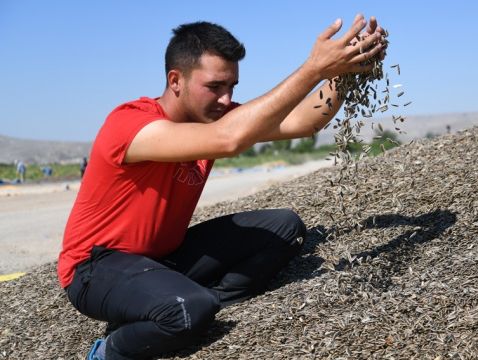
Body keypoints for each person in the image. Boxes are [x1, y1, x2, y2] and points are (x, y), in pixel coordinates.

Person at [58, 15, 386, 360]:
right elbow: (228, 139)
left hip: (164, 259)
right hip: (95, 269)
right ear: (175, 80)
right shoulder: (131, 123)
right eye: (214, 86)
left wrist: (347, 72)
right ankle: (109, 352)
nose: (225, 98)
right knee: (187, 311)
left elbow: (303, 122)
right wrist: (314, 68)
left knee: (285, 227)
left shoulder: (214, 117)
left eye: (232, 87)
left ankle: (182, 297)